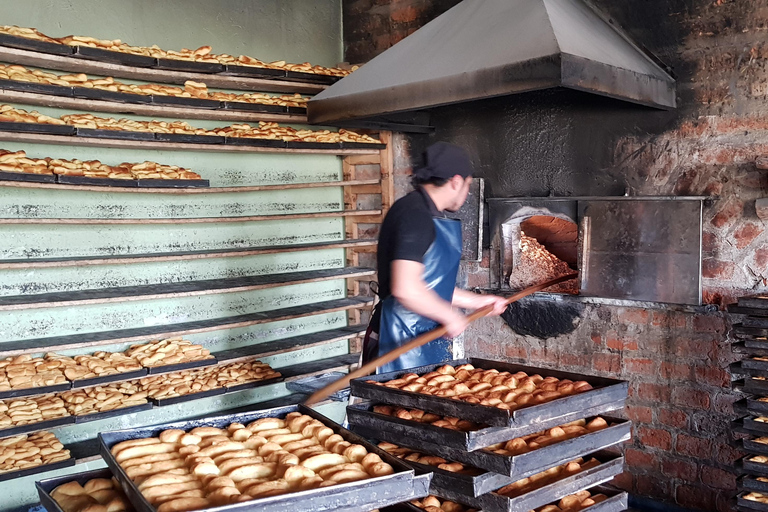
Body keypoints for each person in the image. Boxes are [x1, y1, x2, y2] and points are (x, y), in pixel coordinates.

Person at [362, 142, 508, 374]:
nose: (467, 192)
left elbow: (429, 285)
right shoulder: (415, 216)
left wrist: (478, 302)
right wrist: (449, 316)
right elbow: (406, 289)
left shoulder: (422, 212)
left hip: (420, 338)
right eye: (467, 185)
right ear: (456, 181)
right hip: (398, 342)